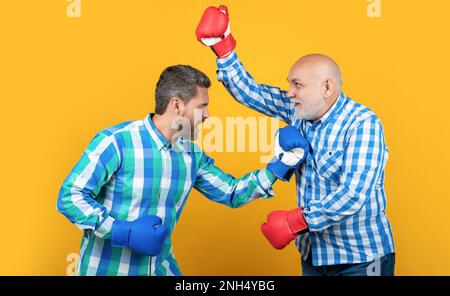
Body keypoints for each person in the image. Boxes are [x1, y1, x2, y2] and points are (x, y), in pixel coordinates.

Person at [195, 5, 395, 276]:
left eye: (297, 84)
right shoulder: (299, 111)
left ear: (327, 87)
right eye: (289, 84)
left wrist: (296, 221)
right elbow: (251, 92)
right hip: (312, 255)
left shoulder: (362, 124)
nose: (289, 92)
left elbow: (353, 195)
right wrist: (223, 45)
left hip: (361, 259)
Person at [57, 64, 309, 276]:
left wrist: (280, 164)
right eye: (202, 106)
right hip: (107, 269)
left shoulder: (192, 155)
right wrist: (123, 231)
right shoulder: (117, 141)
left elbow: (233, 192)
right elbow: (70, 196)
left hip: (160, 268)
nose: (208, 115)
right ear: (177, 106)